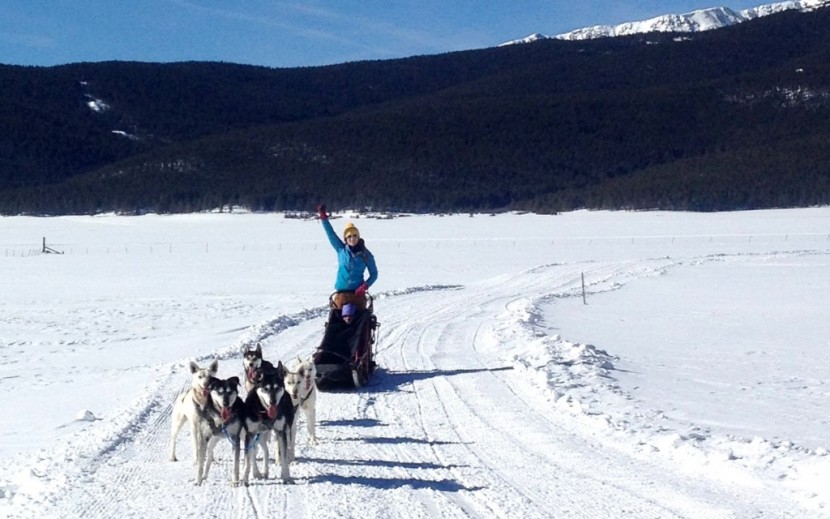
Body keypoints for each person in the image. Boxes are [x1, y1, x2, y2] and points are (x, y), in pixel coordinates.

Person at [317, 204, 378, 310]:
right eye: (349, 236)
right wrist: (323, 218)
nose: (352, 238)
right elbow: (330, 234)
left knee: (361, 319)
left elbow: (374, 274)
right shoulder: (341, 249)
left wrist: (364, 286)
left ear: (358, 237)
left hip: (357, 295)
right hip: (341, 293)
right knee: (335, 319)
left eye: (355, 235)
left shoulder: (366, 254)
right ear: (345, 239)